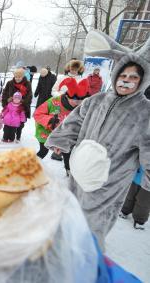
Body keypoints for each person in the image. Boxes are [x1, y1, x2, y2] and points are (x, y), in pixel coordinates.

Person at [45, 30, 150, 249]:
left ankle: (87, 261)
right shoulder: (97, 100)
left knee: (93, 227)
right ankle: (63, 248)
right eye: (123, 76)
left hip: (108, 183)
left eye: (133, 77)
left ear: (142, 81)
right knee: (69, 213)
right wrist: (60, 141)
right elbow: (75, 121)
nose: (126, 81)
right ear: (116, 76)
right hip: (79, 171)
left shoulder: (144, 112)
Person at [34, 78, 90, 176]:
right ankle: (30, 166)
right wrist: (50, 120)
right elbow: (37, 114)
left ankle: (69, 172)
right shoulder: (53, 102)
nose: (78, 102)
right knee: (43, 151)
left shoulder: (82, 107)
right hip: (46, 132)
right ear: (67, 96)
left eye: (81, 100)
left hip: (65, 135)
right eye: (75, 99)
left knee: (67, 153)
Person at [2, 68, 32, 142]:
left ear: (22, 76)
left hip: (21, 107)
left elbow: (29, 95)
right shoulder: (10, 83)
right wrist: (6, 101)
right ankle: (8, 136)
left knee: (20, 123)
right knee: (9, 123)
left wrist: (23, 102)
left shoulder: (27, 84)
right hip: (11, 107)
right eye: (16, 77)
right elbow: (5, 93)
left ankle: (18, 136)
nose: (17, 78)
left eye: (19, 77)